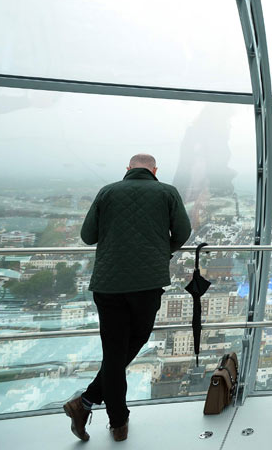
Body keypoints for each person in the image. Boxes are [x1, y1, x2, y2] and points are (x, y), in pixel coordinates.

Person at [63, 154, 191, 442]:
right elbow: (183, 232)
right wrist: (162, 251)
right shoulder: (167, 192)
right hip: (147, 284)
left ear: (128, 169)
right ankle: (92, 408)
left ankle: (105, 416)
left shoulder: (107, 191)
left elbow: (87, 236)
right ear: (155, 170)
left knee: (113, 351)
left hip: (108, 284)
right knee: (134, 342)